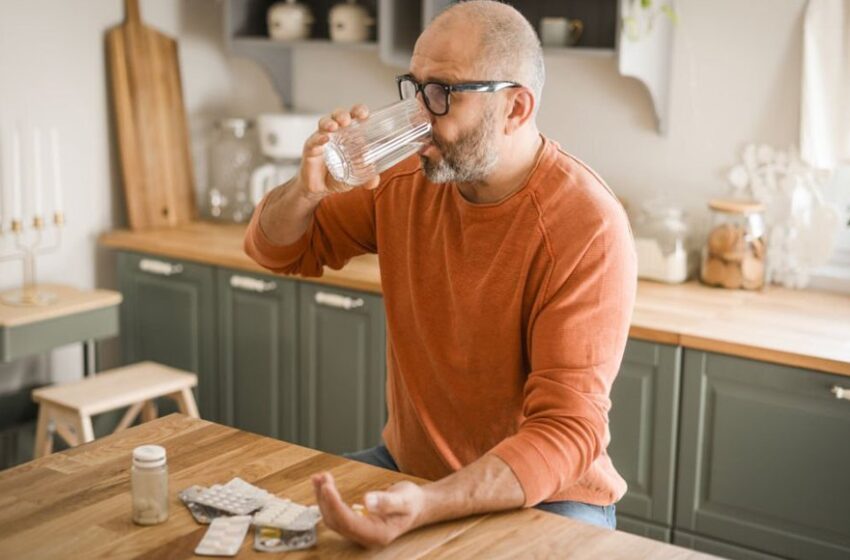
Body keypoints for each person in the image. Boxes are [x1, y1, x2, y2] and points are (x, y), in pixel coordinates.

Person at [244, 0, 636, 548]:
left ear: (516, 108)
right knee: (264, 528)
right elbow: (276, 250)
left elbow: (567, 432)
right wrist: (307, 191)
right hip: (411, 470)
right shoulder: (409, 177)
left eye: (442, 93)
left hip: (551, 496)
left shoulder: (585, 225)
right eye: (414, 86)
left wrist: (430, 504)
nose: (418, 115)